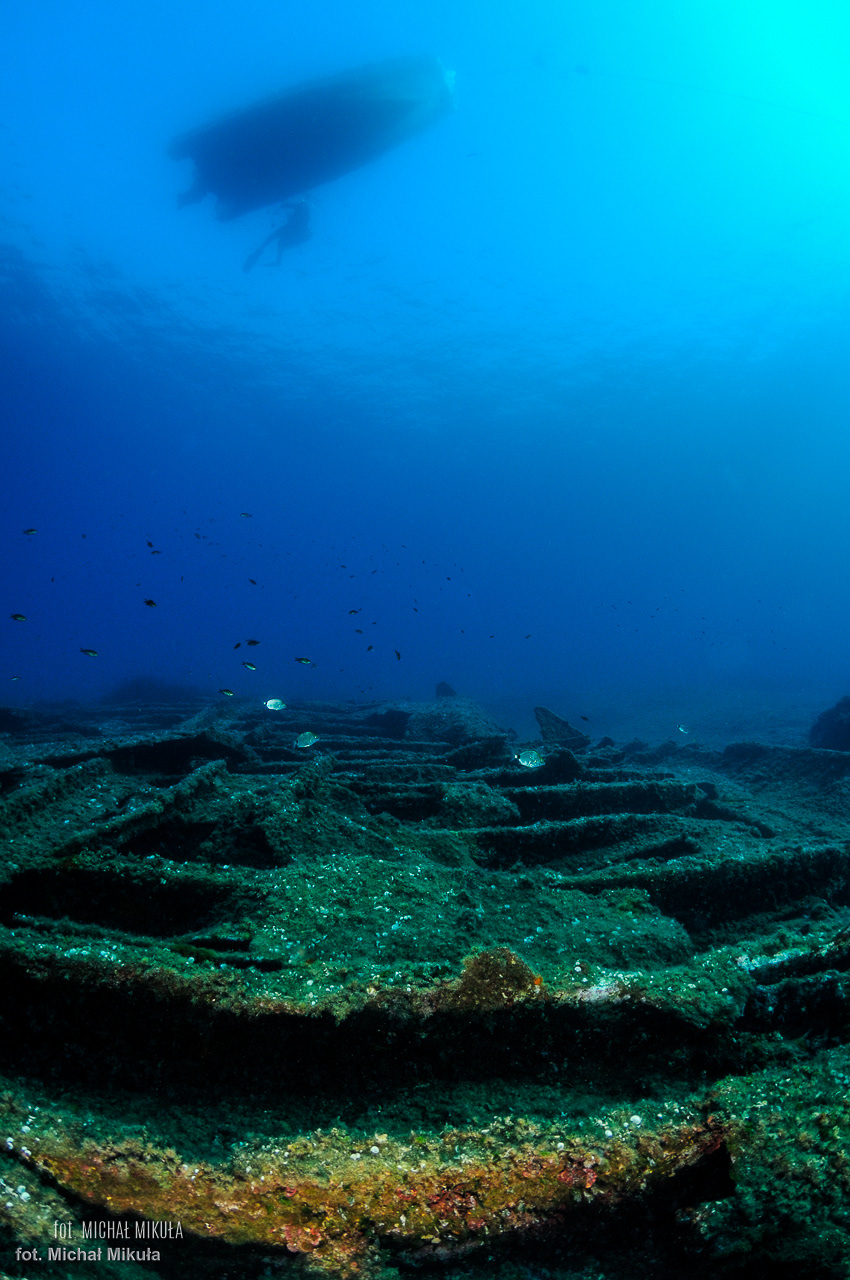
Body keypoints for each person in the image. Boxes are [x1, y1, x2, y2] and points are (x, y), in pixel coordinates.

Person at [242, 201, 311, 273]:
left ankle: (274, 258)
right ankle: (265, 253)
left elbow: (294, 207)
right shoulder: (303, 210)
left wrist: (285, 205)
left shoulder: (303, 210)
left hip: (293, 230)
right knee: (274, 239)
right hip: (290, 228)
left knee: (277, 240)